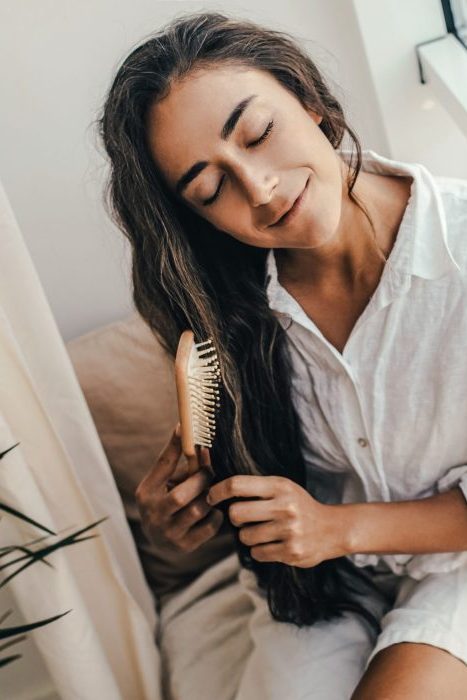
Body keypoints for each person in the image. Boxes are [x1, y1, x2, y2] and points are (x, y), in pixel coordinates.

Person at [97, 10, 467, 699]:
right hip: (313, 581)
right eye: (210, 189)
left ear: (310, 101)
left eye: (259, 134)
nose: (260, 190)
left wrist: (334, 527)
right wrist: (186, 507)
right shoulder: (222, 307)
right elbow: (255, 463)